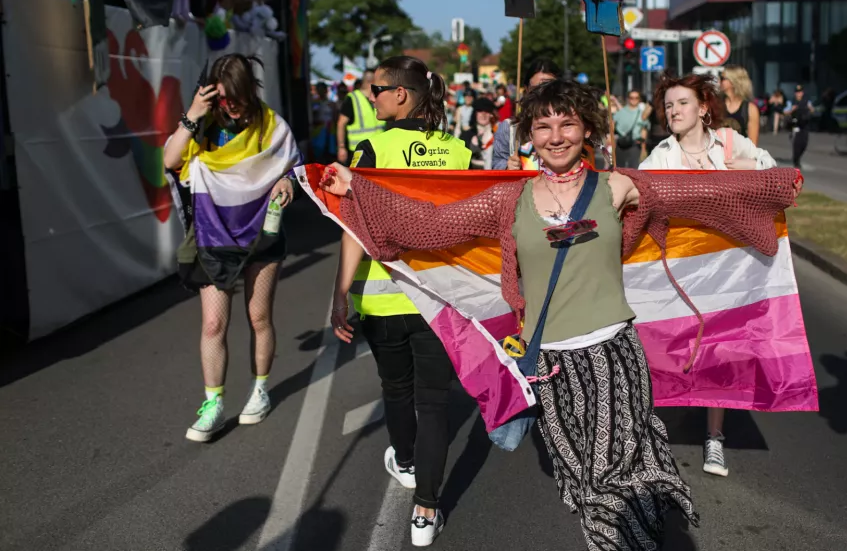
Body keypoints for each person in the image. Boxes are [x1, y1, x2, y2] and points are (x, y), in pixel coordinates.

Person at [320, 78, 802, 550]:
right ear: (529, 135)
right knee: (581, 481)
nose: (555, 137)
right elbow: (429, 223)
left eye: (567, 124)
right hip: (550, 366)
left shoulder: (617, 187)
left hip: (615, 357)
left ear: (586, 129)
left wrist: (775, 185)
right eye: (543, 126)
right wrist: (356, 187)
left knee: (613, 475)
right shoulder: (510, 200)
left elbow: (699, 194)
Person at [329, 55, 471, 547]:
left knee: (396, 389)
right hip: (437, 295)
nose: (371, 97)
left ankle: (406, 462)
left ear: (401, 94)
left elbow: (353, 224)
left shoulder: (373, 148)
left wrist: (339, 292)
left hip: (382, 296)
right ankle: (426, 513)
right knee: (434, 403)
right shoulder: (456, 152)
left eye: (377, 89)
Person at [639, 73, 776, 477]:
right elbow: (638, 194)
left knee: (721, 351)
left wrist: (751, 165)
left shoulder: (730, 143)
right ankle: (655, 432)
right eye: (668, 105)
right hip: (677, 269)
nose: (673, 111)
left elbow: (777, 175)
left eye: (682, 103)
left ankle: (714, 437)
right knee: (669, 346)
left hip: (726, 268)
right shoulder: (661, 155)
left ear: (702, 108)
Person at [162, 54, 299, 443]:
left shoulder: (271, 125)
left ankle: (259, 390)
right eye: (221, 98)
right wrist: (193, 113)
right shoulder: (202, 124)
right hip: (213, 234)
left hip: (261, 231)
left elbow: (292, 165)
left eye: (235, 96)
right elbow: (170, 160)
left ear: (250, 90)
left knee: (259, 317)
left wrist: (287, 181)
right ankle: (214, 403)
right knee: (213, 324)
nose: (229, 105)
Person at [491, 58, 560, 170]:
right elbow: (496, 164)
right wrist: (507, 166)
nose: (542, 93)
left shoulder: (570, 127)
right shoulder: (510, 128)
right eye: (536, 88)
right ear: (527, 89)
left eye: (549, 87)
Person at [336, 69, 383, 165]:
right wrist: (341, 147)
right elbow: (341, 124)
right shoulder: (352, 98)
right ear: (373, 82)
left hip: (379, 148)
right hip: (359, 151)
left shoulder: (380, 98)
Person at [719, 66, 760, 145]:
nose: (719, 81)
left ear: (733, 81)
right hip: (718, 151)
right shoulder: (716, 105)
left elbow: (753, 144)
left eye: (722, 78)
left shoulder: (750, 109)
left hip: (740, 152)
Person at [613, 90, 648, 169]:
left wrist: (643, 148)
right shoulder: (621, 112)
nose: (634, 100)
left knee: (633, 169)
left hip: (635, 145)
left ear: (639, 99)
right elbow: (612, 125)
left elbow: (644, 130)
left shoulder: (642, 114)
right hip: (620, 144)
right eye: (631, 97)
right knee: (619, 169)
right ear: (628, 98)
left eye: (636, 98)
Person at [461, 98, 498, 169]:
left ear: (491, 115)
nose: (483, 115)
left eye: (487, 111)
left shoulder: (498, 134)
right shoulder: (466, 135)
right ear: (475, 114)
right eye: (480, 111)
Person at [786, 85, 814, 168]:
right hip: (795, 124)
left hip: (804, 124)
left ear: (802, 93)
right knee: (797, 144)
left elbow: (812, 110)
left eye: (800, 92)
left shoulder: (806, 101)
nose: (799, 94)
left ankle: (798, 157)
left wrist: (811, 109)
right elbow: (786, 111)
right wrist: (792, 109)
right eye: (797, 92)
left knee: (804, 143)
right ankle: (796, 160)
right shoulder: (791, 101)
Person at [309, 81, 335, 164]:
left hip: (330, 132)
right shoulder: (314, 103)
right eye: (319, 90)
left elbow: (336, 117)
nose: (321, 92)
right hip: (318, 132)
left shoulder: (331, 103)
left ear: (326, 90)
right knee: (319, 153)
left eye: (322, 89)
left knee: (330, 154)